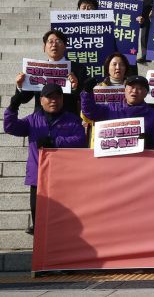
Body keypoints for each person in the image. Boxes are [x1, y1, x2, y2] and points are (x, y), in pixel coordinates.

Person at [4, 83, 86, 234]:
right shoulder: (32, 120)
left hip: (64, 179)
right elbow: (10, 127)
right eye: (49, 97)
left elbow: (81, 140)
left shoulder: (73, 120)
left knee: (64, 223)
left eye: (57, 97)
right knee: (39, 222)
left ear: (62, 99)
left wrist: (55, 142)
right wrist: (13, 108)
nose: (54, 100)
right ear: (41, 100)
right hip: (38, 178)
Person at [81, 75, 154, 149]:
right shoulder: (111, 108)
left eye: (139, 88)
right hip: (113, 158)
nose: (134, 91)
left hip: (141, 160)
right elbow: (90, 112)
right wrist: (87, 93)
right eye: (131, 87)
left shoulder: (153, 115)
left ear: (146, 93)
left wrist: (149, 143)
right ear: (125, 90)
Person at [14, 30, 85, 115]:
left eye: (58, 41)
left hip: (68, 119)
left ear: (65, 46)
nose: (54, 45)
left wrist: (75, 88)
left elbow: (86, 99)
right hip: (41, 120)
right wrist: (20, 85)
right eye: (50, 41)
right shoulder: (36, 69)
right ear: (44, 47)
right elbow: (24, 99)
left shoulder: (79, 69)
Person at [79, 52, 130, 144]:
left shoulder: (132, 89)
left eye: (121, 64)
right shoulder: (96, 88)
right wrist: (87, 92)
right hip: (102, 136)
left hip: (125, 134)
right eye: (114, 64)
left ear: (126, 68)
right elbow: (86, 116)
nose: (118, 67)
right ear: (107, 67)